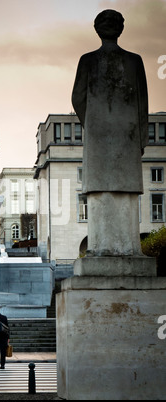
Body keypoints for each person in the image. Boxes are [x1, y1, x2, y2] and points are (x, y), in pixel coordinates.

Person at [72, 9, 148, 257]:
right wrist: (141, 136)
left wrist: (92, 124)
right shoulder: (134, 61)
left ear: (97, 29)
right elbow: (143, 103)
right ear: (120, 29)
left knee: (104, 189)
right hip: (127, 136)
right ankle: (129, 248)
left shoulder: (88, 60)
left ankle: (102, 247)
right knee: (120, 189)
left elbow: (77, 98)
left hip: (102, 137)